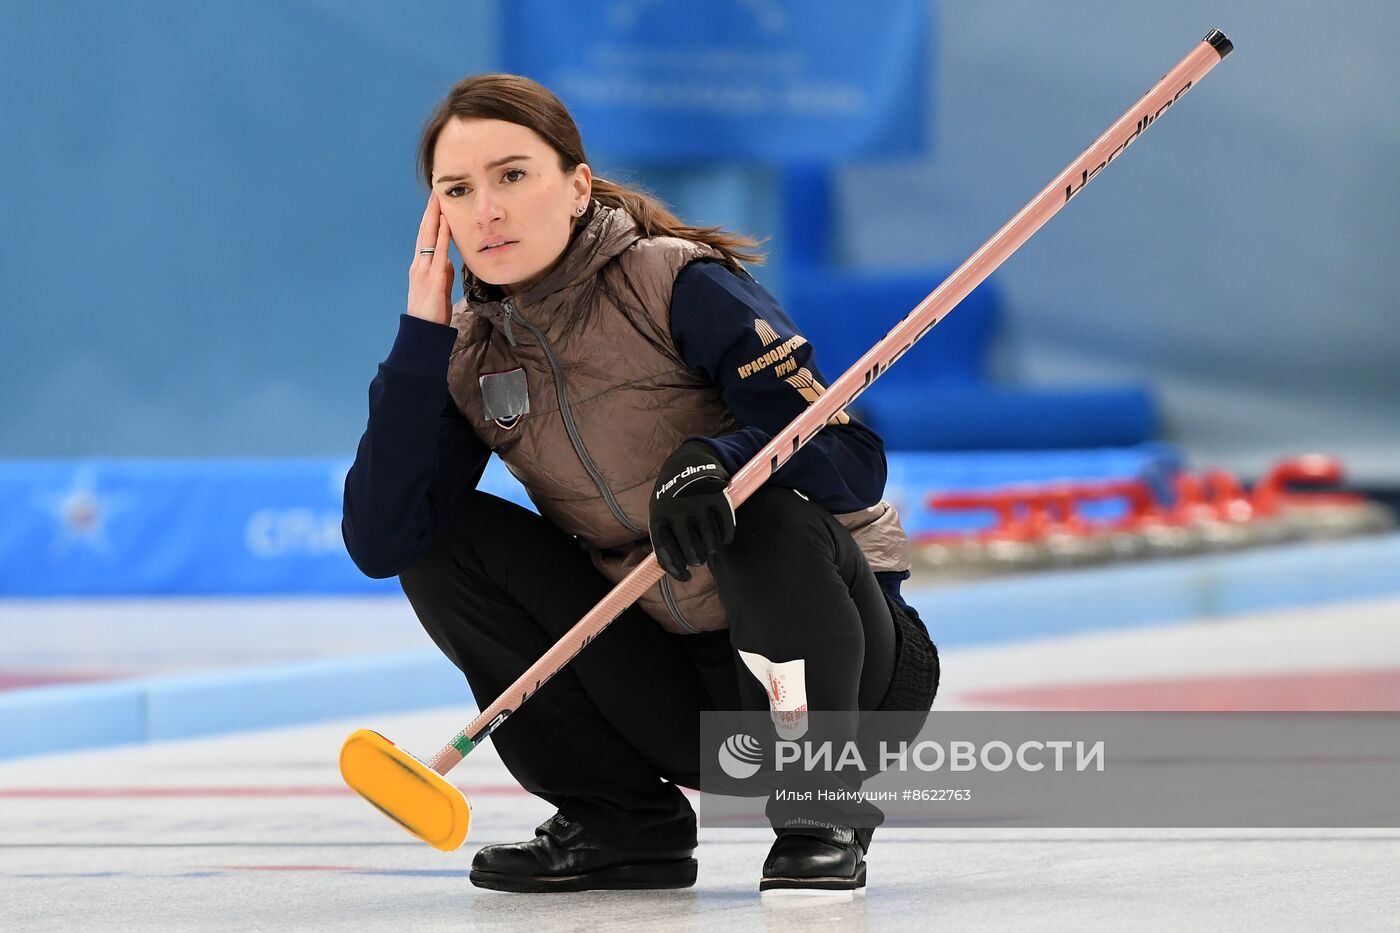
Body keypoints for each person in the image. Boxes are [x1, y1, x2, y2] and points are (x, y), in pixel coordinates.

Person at [342, 73, 939, 896]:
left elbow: (848, 458)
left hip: (851, 671)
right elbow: (381, 540)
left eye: (512, 175)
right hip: (671, 693)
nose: (486, 210)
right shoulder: (469, 356)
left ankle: (818, 806)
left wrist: (719, 462)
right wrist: (419, 342)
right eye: (458, 190)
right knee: (440, 546)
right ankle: (620, 822)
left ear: (577, 184)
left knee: (763, 516)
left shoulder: (675, 282)